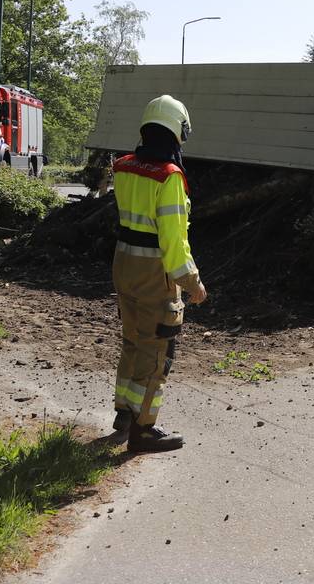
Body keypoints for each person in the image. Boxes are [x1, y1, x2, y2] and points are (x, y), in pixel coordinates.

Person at [110, 95, 207, 453]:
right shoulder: (169, 178)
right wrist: (192, 282)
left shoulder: (123, 167)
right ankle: (144, 430)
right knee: (156, 353)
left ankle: (124, 414)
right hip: (155, 274)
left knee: (132, 341)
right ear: (176, 131)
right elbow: (173, 242)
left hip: (123, 265)